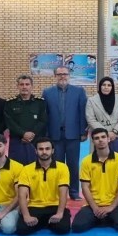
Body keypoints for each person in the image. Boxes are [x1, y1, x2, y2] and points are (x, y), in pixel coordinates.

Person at [72, 128, 118, 233]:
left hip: (115, 204)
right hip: (92, 205)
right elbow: (85, 187)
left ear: (108, 139)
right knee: (77, 227)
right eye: (97, 138)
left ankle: (103, 218)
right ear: (93, 141)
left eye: (103, 137)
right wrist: (95, 208)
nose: (100, 140)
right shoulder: (86, 161)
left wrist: (111, 207)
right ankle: (102, 217)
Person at [43, 66, 88, 200]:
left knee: (73, 164)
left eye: (65, 74)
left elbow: (82, 112)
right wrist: (46, 135)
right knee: (57, 165)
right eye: (59, 74)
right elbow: (45, 114)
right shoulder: (47, 92)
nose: (62, 76)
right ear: (55, 76)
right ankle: (57, 192)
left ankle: (74, 192)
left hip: (73, 135)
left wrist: (83, 131)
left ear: (69, 75)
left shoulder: (79, 91)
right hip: (54, 135)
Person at [16, 138, 71, 236]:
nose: (44, 152)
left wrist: (59, 213)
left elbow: (63, 193)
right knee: (21, 230)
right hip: (34, 206)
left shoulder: (62, 167)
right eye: (41, 149)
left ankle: (41, 223)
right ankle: (46, 223)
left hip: (55, 206)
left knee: (63, 229)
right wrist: (26, 216)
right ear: (36, 151)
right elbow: (22, 195)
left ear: (52, 150)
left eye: (47, 149)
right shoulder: (27, 169)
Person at [4, 74, 48, 165]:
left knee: (36, 167)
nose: (24, 87)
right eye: (22, 84)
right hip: (17, 140)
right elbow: (9, 121)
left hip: (35, 140)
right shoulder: (10, 103)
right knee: (16, 167)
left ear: (32, 86)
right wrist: (23, 134)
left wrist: (32, 134)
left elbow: (43, 120)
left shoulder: (40, 102)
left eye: (27, 84)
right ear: (17, 86)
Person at [86, 77, 118, 155]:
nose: (106, 87)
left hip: (117, 136)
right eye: (104, 85)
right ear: (100, 86)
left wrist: (115, 132)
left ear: (112, 87)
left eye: (109, 85)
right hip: (100, 136)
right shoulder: (92, 101)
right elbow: (91, 119)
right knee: (101, 160)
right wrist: (105, 133)